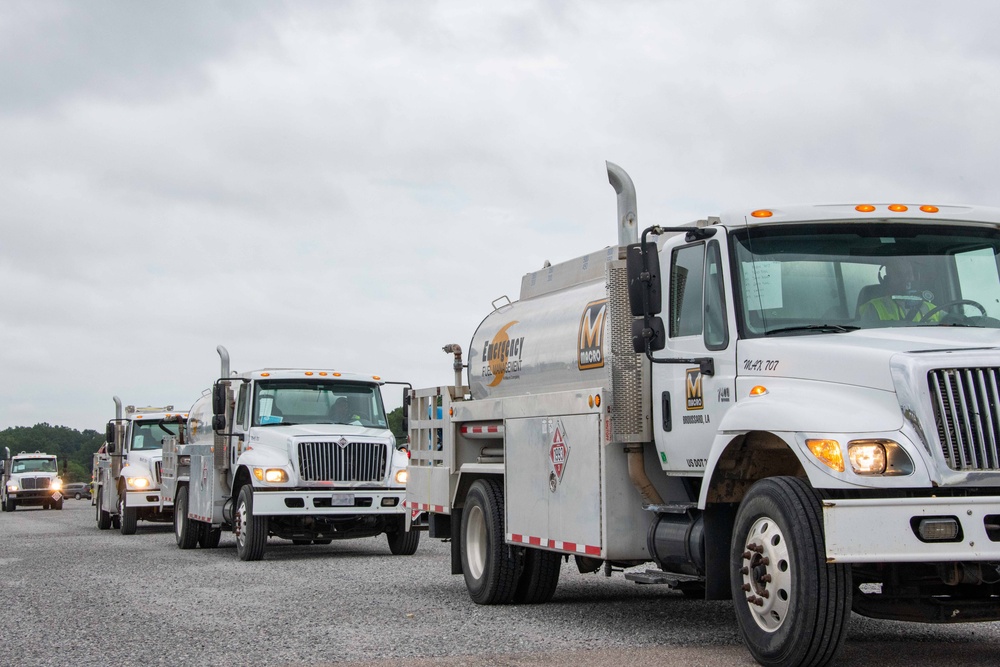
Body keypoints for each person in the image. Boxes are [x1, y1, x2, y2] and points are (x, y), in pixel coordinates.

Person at [859, 258, 941, 323]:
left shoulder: (931, 308)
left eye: (908, 274)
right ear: (887, 280)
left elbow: (951, 321)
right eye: (899, 274)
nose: (906, 279)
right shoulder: (873, 308)